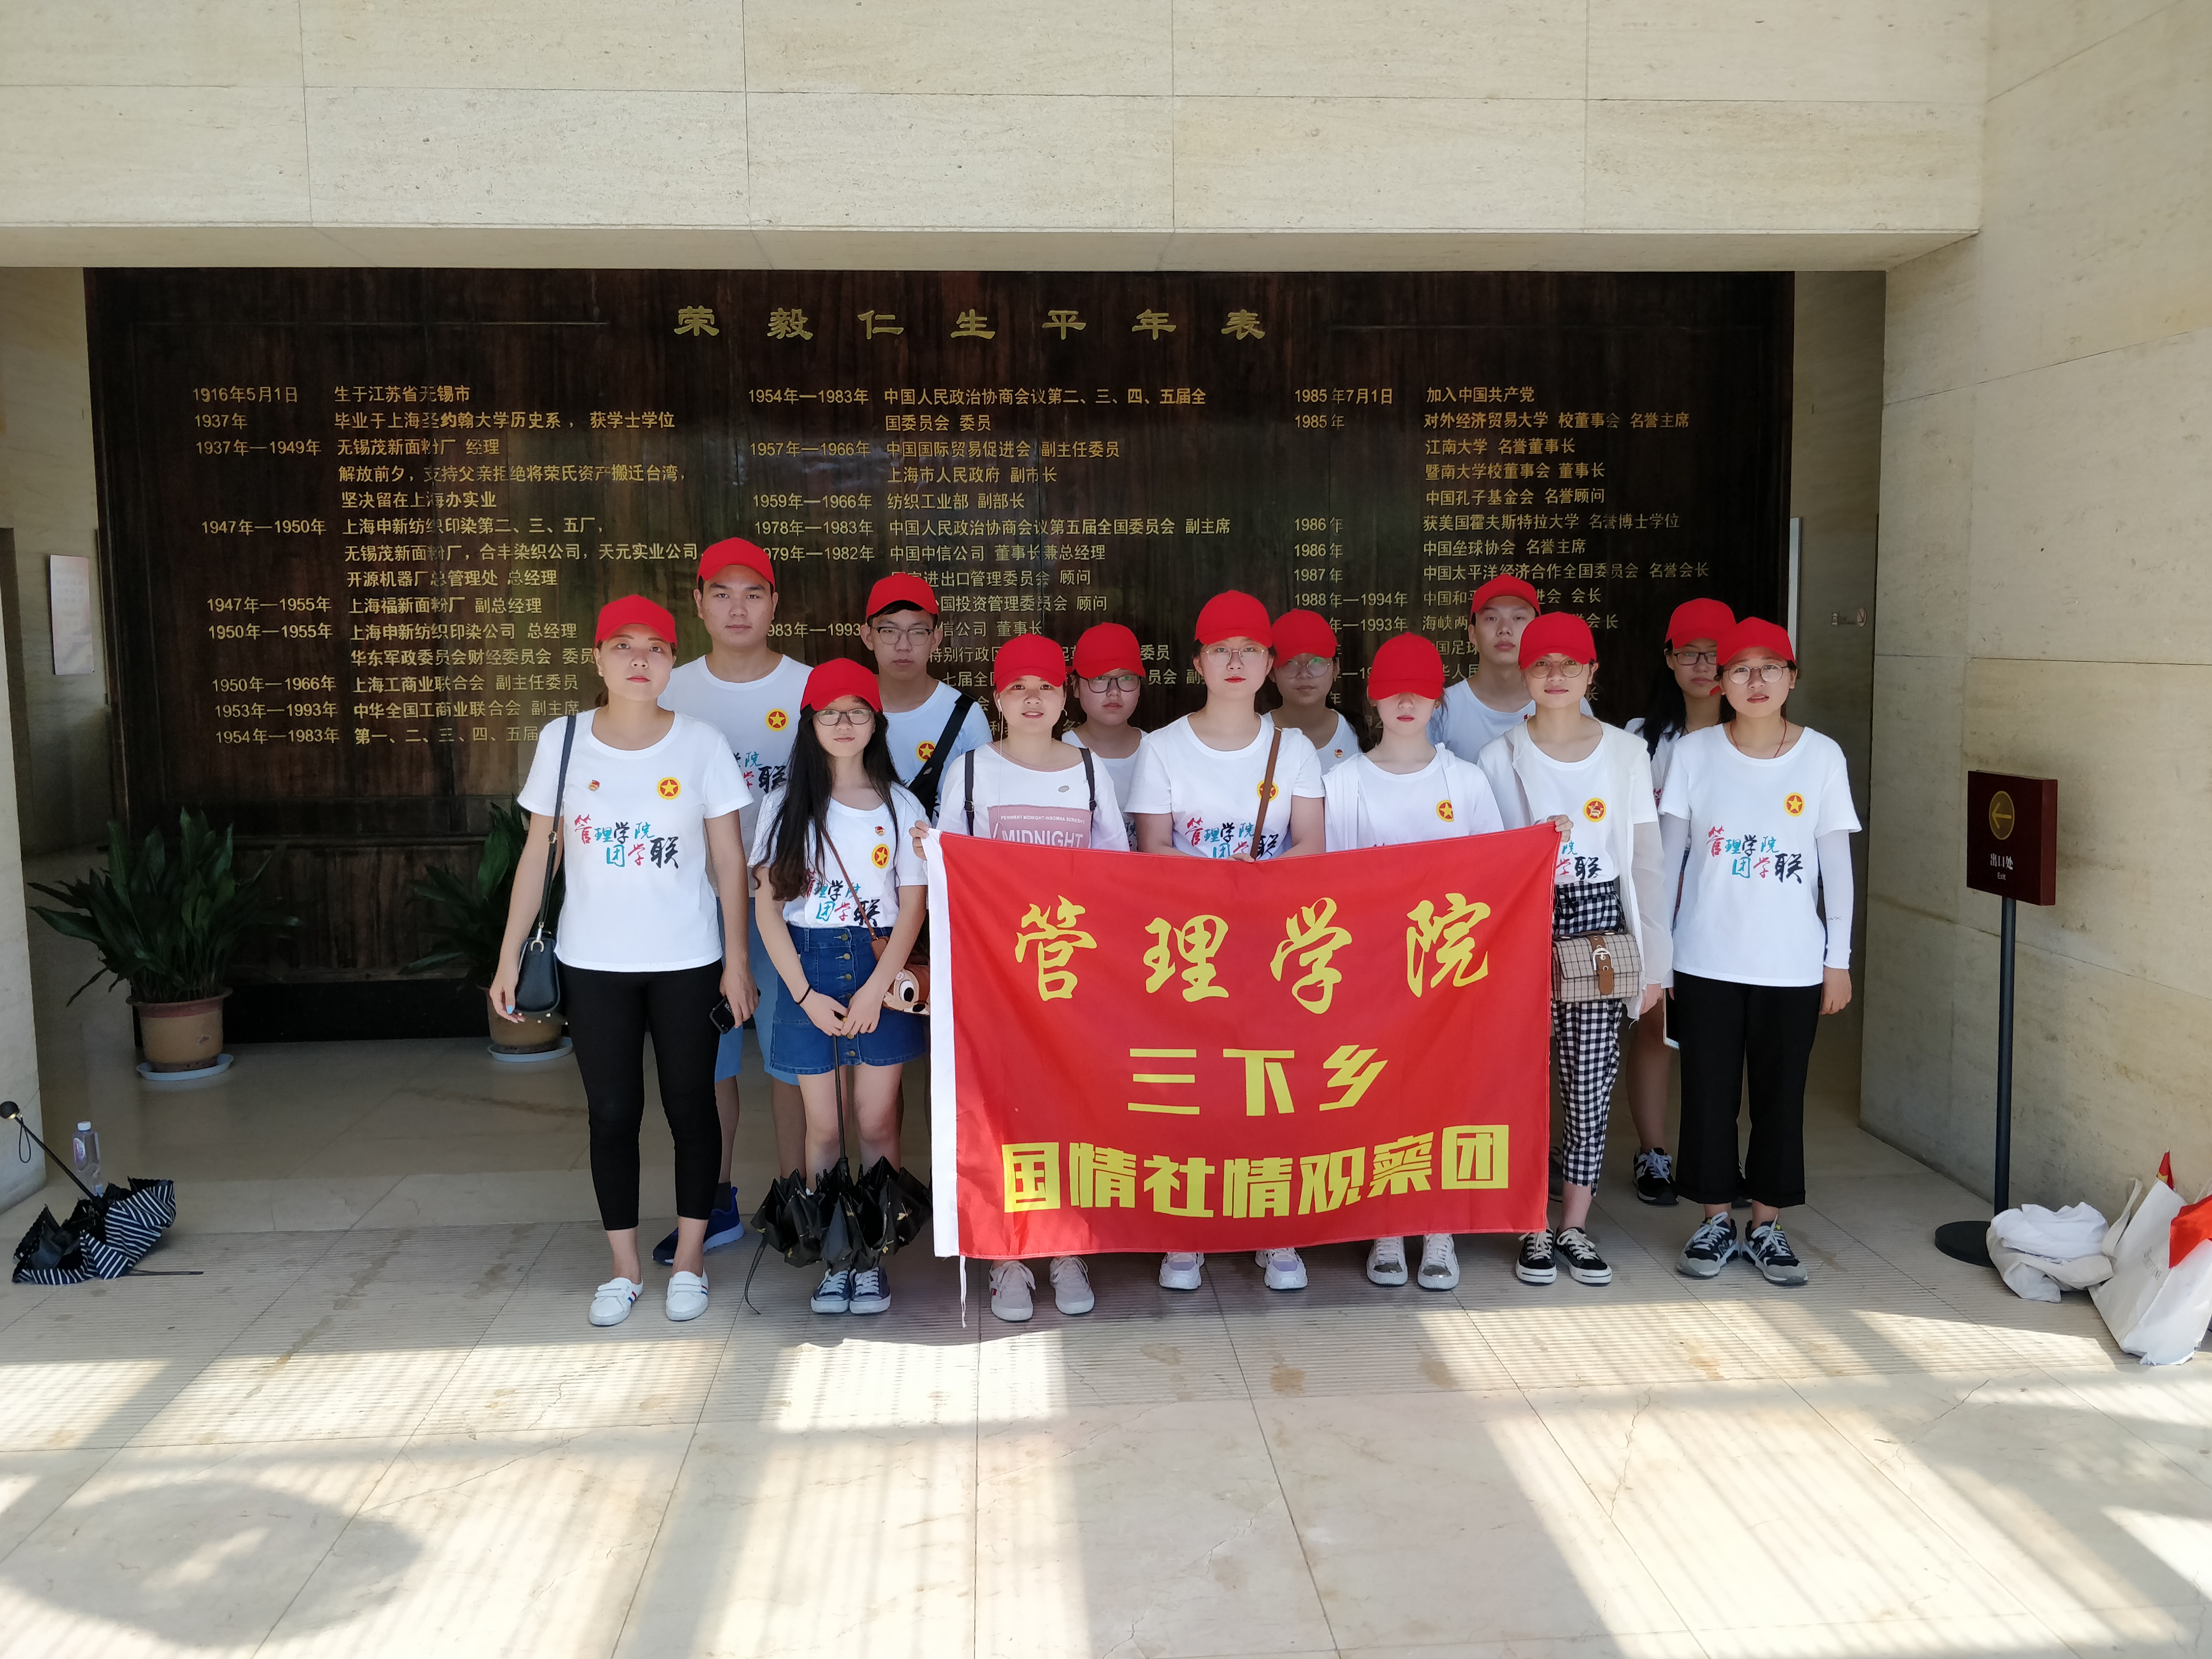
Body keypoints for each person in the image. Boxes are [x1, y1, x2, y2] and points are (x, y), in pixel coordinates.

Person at [492, 596, 756, 1328]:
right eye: (623, 646)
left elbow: (730, 862)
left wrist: (738, 959)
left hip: (688, 959)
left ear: (673, 661)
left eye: (657, 648)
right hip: (593, 962)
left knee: (691, 1107)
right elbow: (538, 855)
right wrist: (508, 955)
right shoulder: (564, 740)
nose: (640, 660)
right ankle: (624, 1268)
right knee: (611, 1114)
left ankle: (692, 1259)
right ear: (598, 659)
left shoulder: (701, 743)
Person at [1128, 589, 1324, 1294]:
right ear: (1198, 663)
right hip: (1189, 949)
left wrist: (1258, 880)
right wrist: (1219, 879)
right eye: (1220, 650)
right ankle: (1187, 1232)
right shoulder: (1161, 747)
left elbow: (1312, 845)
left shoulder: (1293, 749)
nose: (1235, 662)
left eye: (1249, 651)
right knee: (1194, 1086)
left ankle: (1275, 1229)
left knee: (1269, 1085)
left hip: (1273, 945)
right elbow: (1151, 849)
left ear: (1270, 664)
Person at [930, 634, 1127, 1322]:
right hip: (995, 980)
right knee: (1000, 1114)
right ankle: (1006, 1257)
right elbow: (946, 876)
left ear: (1065, 695)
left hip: (1073, 980)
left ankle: (1067, 1246)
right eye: (1018, 688)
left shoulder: (1091, 771)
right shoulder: (972, 773)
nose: (1033, 699)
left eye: (1045, 686)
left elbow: (1116, 875)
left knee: (1069, 1108)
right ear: (998, 698)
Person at [1660, 618, 1858, 1286]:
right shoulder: (1695, 754)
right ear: (1721, 682)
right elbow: (1669, 859)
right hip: (1704, 959)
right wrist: (1661, 953)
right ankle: (1716, 1220)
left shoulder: (1822, 757)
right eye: (1740, 669)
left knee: (1781, 1096)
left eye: (1770, 667)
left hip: (1792, 964)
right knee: (1708, 1095)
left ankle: (1767, 1225)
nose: (1755, 681)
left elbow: (1836, 866)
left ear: (1792, 678)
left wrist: (1838, 959)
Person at [1476, 612, 1668, 1290]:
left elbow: (1645, 862)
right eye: (1541, 664)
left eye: (1570, 664)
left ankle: (1575, 1226)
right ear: (1524, 674)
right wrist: (1533, 842)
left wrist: (1655, 964)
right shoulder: (1498, 757)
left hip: (1600, 926)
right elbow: (1485, 863)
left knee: (1589, 1082)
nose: (1555, 675)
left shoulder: (1625, 752)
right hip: (1521, 928)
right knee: (1522, 1083)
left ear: (1592, 672)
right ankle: (1531, 1222)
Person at [1321, 632, 1505, 1292]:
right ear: (1373, 699)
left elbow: (1496, 875)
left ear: (1437, 701)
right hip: (1369, 970)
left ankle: (1439, 1226)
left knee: (1442, 1096)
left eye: (1421, 692)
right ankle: (1387, 1224)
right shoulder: (1342, 782)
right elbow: (1328, 885)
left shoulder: (1467, 781)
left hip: (1447, 974)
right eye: (1393, 691)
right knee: (1378, 1095)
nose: (1406, 702)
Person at [750, 658, 929, 1317]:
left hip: (879, 966)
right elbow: (768, 909)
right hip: (810, 967)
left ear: (876, 722)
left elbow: (912, 907)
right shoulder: (784, 805)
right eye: (831, 712)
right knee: (823, 1129)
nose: (844, 723)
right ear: (810, 723)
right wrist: (802, 994)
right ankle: (836, 1262)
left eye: (858, 712)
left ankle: (873, 1260)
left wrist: (878, 987)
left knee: (877, 1120)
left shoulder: (900, 804)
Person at [655, 537, 809, 1265]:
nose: (737, 608)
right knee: (706, 1060)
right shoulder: (670, 690)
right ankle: (713, 1203)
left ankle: (798, 1198)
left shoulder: (810, 689)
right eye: (722, 594)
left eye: (753, 594)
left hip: (790, 903)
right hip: (697, 907)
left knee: (791, 1055)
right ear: (699, 604)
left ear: (775, 603)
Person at [1619, 597, 1734, 1206]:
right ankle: (1654, 1152)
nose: (1704, 666)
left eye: (1715, 655)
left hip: (1725, 909)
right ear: (1668, 659)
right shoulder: (1640, 740)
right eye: (1690, 653)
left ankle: (1716, 1159)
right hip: (1658, 905)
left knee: (1720, 1034)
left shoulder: (1753, 739)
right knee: (1655, 1025)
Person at [864, 572, 991, 816]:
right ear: (868, 637)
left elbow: (984, 807)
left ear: (936, 639)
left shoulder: (965, 715)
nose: (903, 645)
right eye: (889, 631)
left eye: (918, 632)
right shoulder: (847, 709)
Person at [1062, 621, 1150, 843]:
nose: (1114, 692)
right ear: (1075, 686)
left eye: (1126, 678)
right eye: (1099, 678)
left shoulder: (1157, 751)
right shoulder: (1060, 754)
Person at [1267, 609, 1360, 772]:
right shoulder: (1255, 736)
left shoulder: (1360, 733)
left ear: (1336, 668)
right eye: (1290, 663)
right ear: (1272, 672)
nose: (1304, 674)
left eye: (1317, 661)